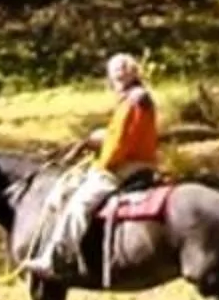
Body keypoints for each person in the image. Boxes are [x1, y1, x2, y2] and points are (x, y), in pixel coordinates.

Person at [26, 53, 160, 282]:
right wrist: (100, 137)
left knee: (80, 202)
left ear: (132, 73)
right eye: (114, 73)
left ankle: (57, 259)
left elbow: (120, 144)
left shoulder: (134, 100)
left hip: (128, 165)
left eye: (121, 72)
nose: (117, 78)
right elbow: (121, 135)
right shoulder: (134, 98)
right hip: (131, 160)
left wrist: (101, 166)